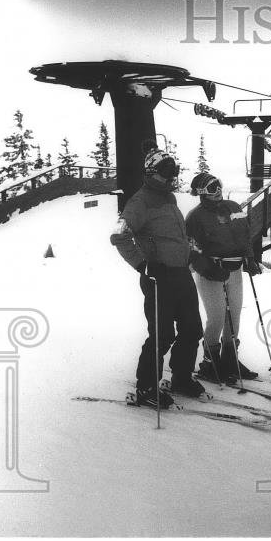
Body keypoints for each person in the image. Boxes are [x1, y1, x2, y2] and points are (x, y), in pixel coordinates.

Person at [110, 146, 205, 408]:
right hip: (158, 277)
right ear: (152, 173)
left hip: (181, 274)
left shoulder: (169, 198)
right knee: (162, 335)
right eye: (165, 172)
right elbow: (119, 236)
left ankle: (181, 377)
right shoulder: (139, 202)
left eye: (173, 171)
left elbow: (174, 235)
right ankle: (147, 387)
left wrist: (189, 252)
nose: (171, 177)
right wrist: (143, 265)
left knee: (192, 329)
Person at [185, 172, 262, 386]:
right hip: (212, 271)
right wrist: (206, 268)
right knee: (217, 317)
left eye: (218, 185)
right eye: (211, 188)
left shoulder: (234, 207)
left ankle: (230, 360)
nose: (217, 190)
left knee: (234, 316)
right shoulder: (195, 217)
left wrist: (249, 258)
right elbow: (190, 250)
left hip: (234, 269)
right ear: (201, 193)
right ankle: (210, 362)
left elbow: (244, 235)